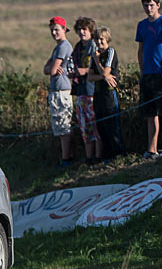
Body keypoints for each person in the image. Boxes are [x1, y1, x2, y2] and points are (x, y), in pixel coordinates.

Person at [135, 0, 162, 159]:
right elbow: (140, 50)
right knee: (150, 113)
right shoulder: (141, 25)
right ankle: (152, 148)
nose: (148, 8)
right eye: (145, 5)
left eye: (151, 5)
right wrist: (142, 70)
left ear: (158, 5)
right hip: (147, 74)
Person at [89, 27, 126, 160]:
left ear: (107, 40)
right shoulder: (95, 54)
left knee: (112, 125)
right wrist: (103, 76)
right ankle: (108, 155)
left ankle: (119, 154)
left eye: (101, 39)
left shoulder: (110, 52)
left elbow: (105, 72)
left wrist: (98, 62)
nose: (99, 43)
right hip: (98, 94)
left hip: (109, 94)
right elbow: (90, 77)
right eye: (96, 40)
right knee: (101, 126)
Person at [43, 16, 74, 166]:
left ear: (64, 29)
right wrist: (50, 68)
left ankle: (67, 158)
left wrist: (51, 68)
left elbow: (52, 69)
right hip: (57, 89)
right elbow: (46, 68)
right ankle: (65, 157)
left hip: (62, 89)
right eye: (52, 30)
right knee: (60, 125)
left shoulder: (63, 46)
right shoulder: (58, 47)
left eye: (56, 29)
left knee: (63, 125)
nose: (54, 33)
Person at [70, 17, 101, 164]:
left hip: (92, 90)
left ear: (90, 31)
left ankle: (98, 156)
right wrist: (73, 72)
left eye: (85, 30)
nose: (82, 32)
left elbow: (99, 67)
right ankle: (89, 158)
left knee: (96, 126)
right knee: (84, 126)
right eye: (79, 30)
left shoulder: (94, 46)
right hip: (80, 90)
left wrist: (86, 71)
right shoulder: (77, 47)